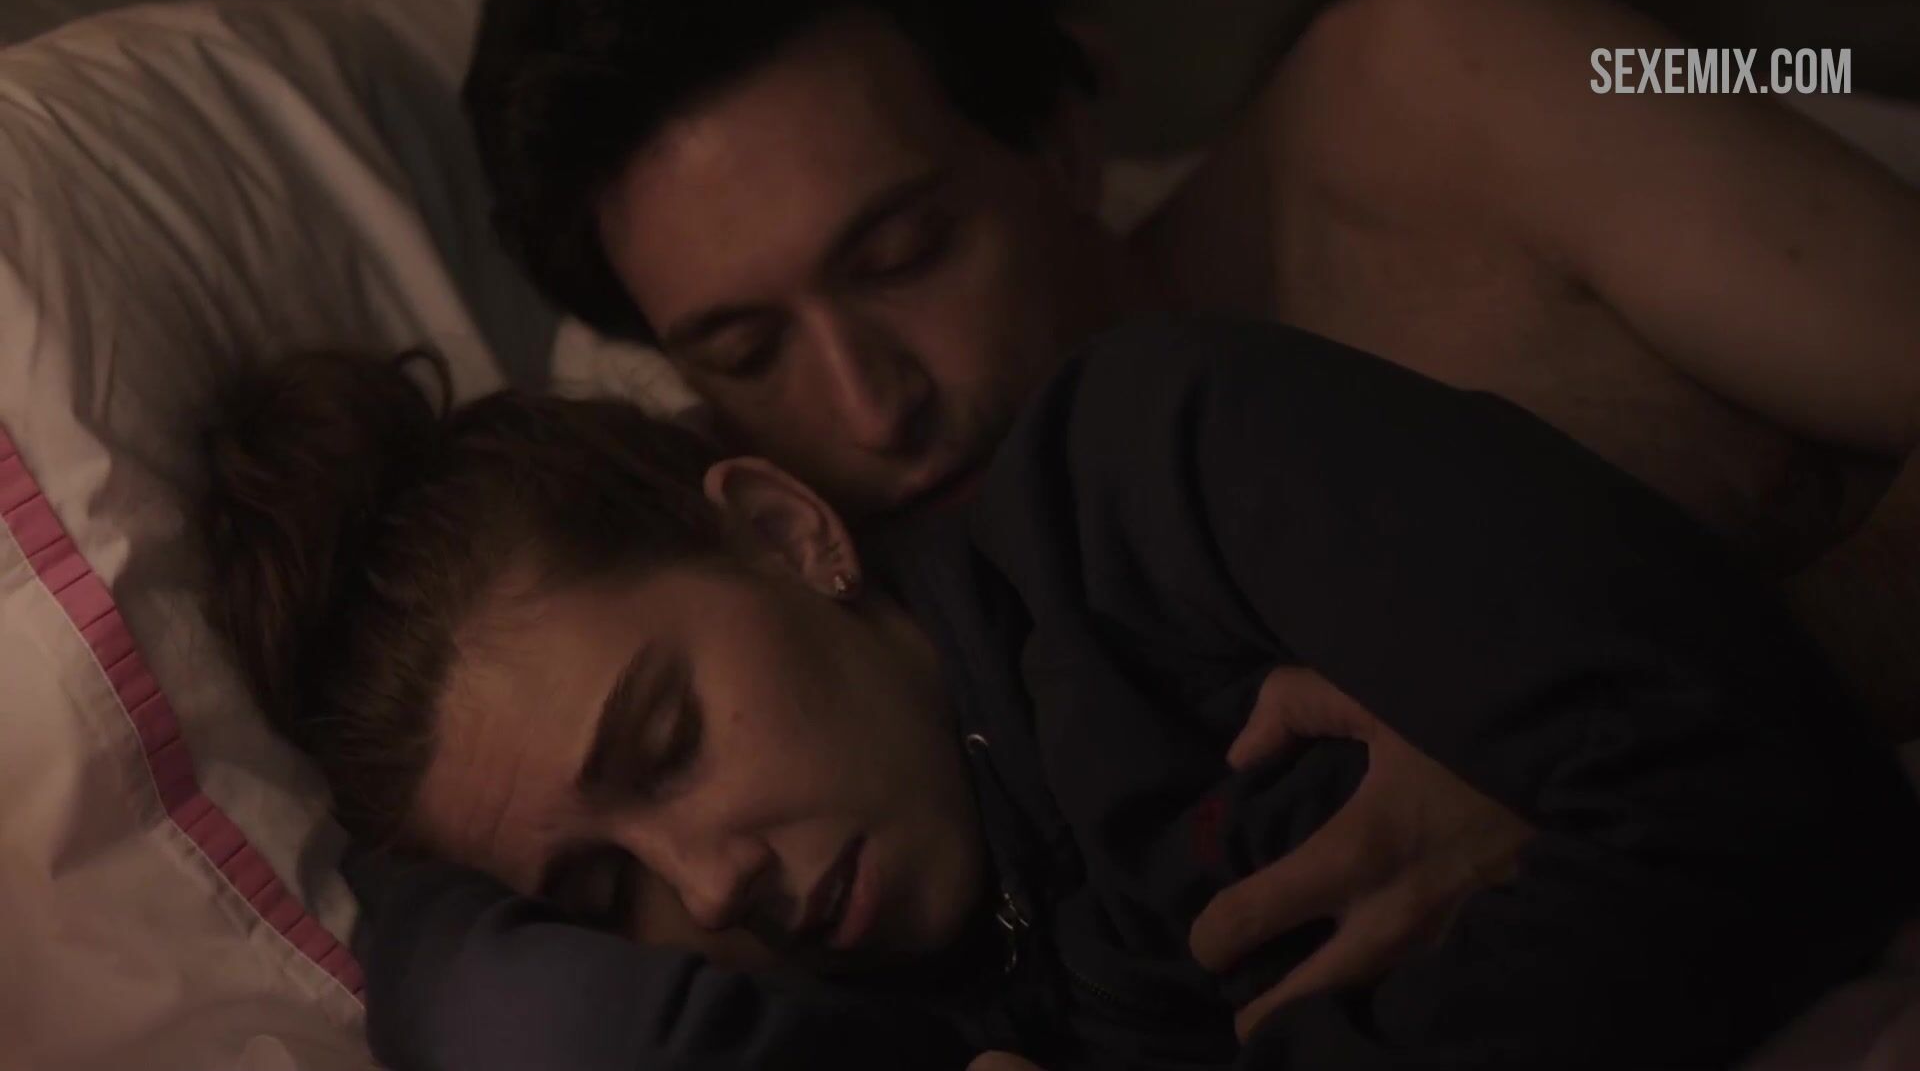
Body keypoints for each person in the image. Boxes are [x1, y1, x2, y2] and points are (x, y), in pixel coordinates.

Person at [460, 0, 1920, 1025]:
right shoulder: (903, 716)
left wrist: (1589, 721)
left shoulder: (1437, 74)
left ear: (1063, 136)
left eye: (905, 252)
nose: (866, 407)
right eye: (746, 352)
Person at [198, 318, 1920, 1070]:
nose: (711, 891)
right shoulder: (911, 1021)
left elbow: (1761, 777)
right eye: (604, 892)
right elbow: (462, 988)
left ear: (789, 534)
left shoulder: (1148, 484)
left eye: (669, 742)